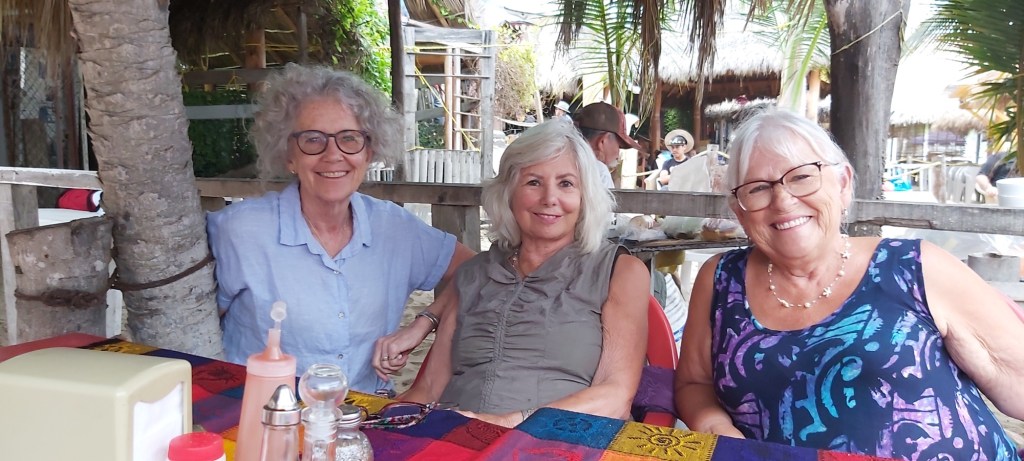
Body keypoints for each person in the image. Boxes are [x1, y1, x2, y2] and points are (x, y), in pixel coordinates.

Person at [674, 109, 1024, 460]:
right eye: (758, 188)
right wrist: (715, 427)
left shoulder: (916, 266)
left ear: (842, 184)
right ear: (739, 210)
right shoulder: (720, 280)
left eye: (801, 177)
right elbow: (694, 383)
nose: (782, 201)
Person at [206, 64, 474, 394]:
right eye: (312, 140)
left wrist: (424, 322)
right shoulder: (238, 231)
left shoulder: (395, 228)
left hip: (365, 413)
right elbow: (195, 332)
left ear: (369, 152)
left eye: (349, 139)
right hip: (261, 413)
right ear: (288, 155)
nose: (333, 155)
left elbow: (480, 271)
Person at [390, 119, 650, 428]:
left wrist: (507, 422)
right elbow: (428, 389)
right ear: (508, 193)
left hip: (558, 439)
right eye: (533, 182)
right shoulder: (474, 274)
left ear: (585, 196)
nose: (549, 198)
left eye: (566, 184)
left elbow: (615, 397)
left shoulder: (619, 271)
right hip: (454, 437)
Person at [573, 102, 643, 189]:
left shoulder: (561, 159)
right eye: (619, 146)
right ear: (602, 141)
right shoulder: (600, 172)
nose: (618, 153)